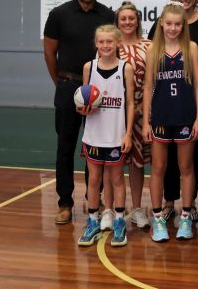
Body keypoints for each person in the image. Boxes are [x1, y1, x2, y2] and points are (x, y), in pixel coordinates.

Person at [43, 0, 115, 224]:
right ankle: (65, 202)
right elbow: (50, 53)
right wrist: (61, 83)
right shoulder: (59, 15)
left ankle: (92, 198)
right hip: (68, 87)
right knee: (65, 147)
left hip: (99, 91)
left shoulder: (107, 15)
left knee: (95, 147)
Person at [148, 0, 198, 224]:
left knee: (187, 165)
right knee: (160, 167)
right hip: (162, 114)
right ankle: (162, 211)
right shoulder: (155, 48)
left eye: (177, 24)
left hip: (186, 111)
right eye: (169, 24)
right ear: (162, 24)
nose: (173, 28)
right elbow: (148, 85)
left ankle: (187, 211)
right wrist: (146, 121)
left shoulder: (192, 45)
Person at [76, 25, 135, 247]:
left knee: (117, 180)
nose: (105, 46)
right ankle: (92, 221)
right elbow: (84, 101)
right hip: (93, 134)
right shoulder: (88, 68)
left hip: (115, 135)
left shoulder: (125, 68)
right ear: (96, 44)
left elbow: (130, 102)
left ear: (118, 42)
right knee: (93, 180)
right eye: (101, 42)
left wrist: (128, 134)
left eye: (109, 42)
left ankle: (119, 221)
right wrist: (83, 108)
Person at [115, 1, 152, 230]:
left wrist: (140, 110)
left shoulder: (149, 45)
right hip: (113, 114)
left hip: (141, 113)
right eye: (123, 19)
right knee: (114, 163)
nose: (128, 22)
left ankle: (137, 208)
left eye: (131, 18)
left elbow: (155, 81)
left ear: (137, 20)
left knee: (137, 163)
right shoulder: (111, 45)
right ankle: (113, 209)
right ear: (117, 22)